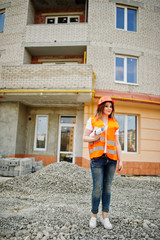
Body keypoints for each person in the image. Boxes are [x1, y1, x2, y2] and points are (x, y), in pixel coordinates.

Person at [83, 96, 123, 229]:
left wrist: (121, 160)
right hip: (97, 159)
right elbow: (84, 137)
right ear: (101, 107)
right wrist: (93, 137)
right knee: (97, 188)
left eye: (110, 106)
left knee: (107, 188)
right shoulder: (92, 120)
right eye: (106, 106)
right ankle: (94, 216)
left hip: (111, 159)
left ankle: (105, 216)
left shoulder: (114, 123)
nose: (109, 109)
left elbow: (117, 143)